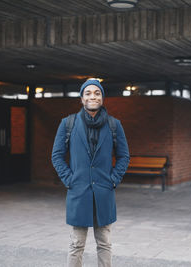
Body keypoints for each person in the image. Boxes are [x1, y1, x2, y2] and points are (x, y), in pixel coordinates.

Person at [51, 79, 130, 267]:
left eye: (97, 93)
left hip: (104, 193)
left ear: (102, 97)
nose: (92, 96)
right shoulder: (68, 123)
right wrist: (70, 180)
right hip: (78, 193)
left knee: (104, 244)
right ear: (81, 98)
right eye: (88, 93)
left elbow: (124, 156)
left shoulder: (114, 125)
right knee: (76, 244)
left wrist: (113, 180)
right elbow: (57, 156)